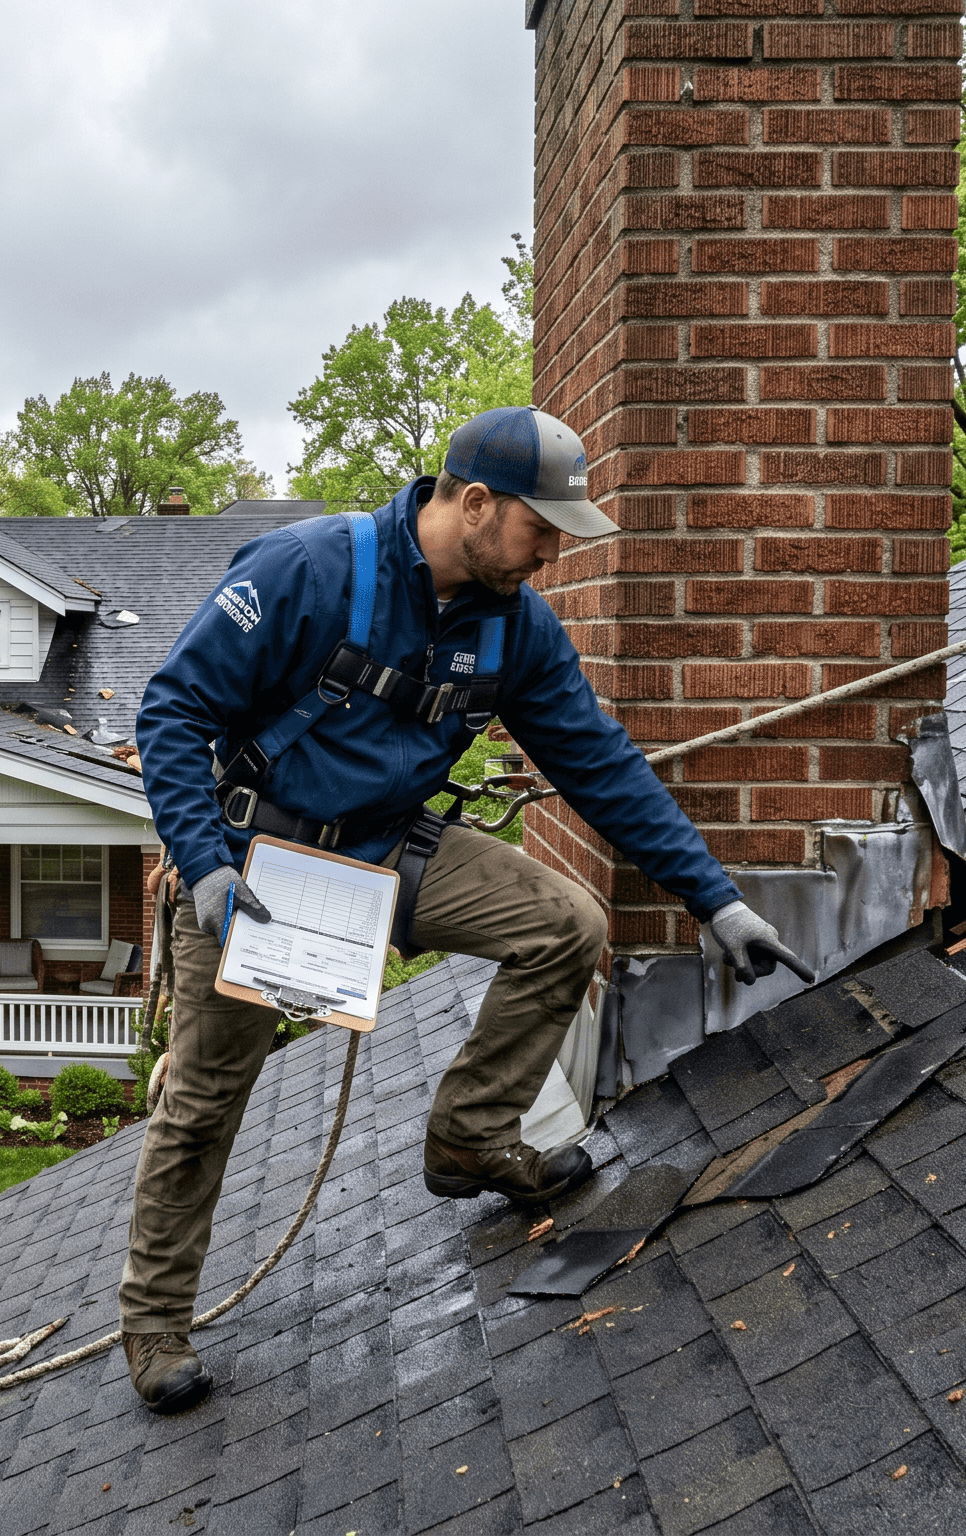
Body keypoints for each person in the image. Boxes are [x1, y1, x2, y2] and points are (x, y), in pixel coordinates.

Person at [119, 404, 816, 1413]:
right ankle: (155, 1322)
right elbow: (172, 711)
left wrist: (716, 901)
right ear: (475, 503)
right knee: (202, 1108)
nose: (550, 556)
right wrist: (204, 864)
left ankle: (468, 1135)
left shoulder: (516, 629)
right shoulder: (304, 572)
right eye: (541, 530)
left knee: (564, 924)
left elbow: (600, 765)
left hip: (383, 852)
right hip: (251, 869)